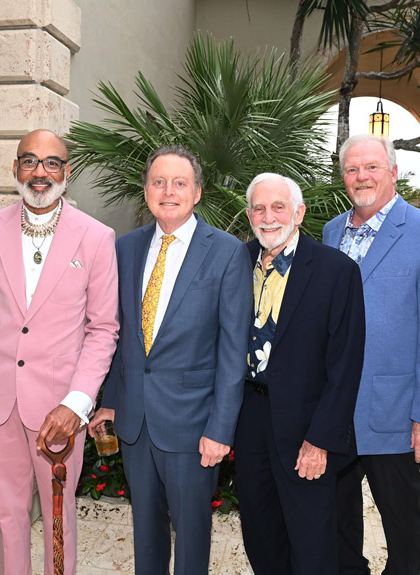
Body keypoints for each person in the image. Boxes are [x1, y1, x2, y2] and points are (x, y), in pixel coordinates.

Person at [89, 145, 252, 575]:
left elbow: (234, 352)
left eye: (179, 183)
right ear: (146, 191)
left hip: (194, 426)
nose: (168, 191)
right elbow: (121, 336)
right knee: (146, 530)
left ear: (197, 192)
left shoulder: (227, 251)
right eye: (159, 182)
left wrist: (221, 429)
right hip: (136, 423)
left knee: (192, 535)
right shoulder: (124, 248)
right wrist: (112, 400)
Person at [0, 129, 119, 575]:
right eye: (29, 161)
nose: (40, 172)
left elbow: (104, 329)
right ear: (15, 169)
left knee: (58, 517)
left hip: (59, 408)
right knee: (8, 515)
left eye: (52, 162)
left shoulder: (95, 236)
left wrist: (77, 403)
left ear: (66, 173)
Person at [323, 134, 420, 575]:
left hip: (395, 413)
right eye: (352, 169)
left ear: (394, 172)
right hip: (336, 412)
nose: (361, 176)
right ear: (342, 175)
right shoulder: (330, 232)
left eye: (372, 167)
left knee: (401, 523)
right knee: (338, 519)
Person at [235, 173, 366, 574]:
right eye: (259, 208)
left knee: (311, 541)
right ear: (248, 214)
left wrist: (321, 441)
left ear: (299, 212)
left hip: (306, 427)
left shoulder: (335, 271)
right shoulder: (236, 263)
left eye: (279, 207)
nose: (268, 217)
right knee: (260, 530)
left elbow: (346, 366)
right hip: (249, 418)